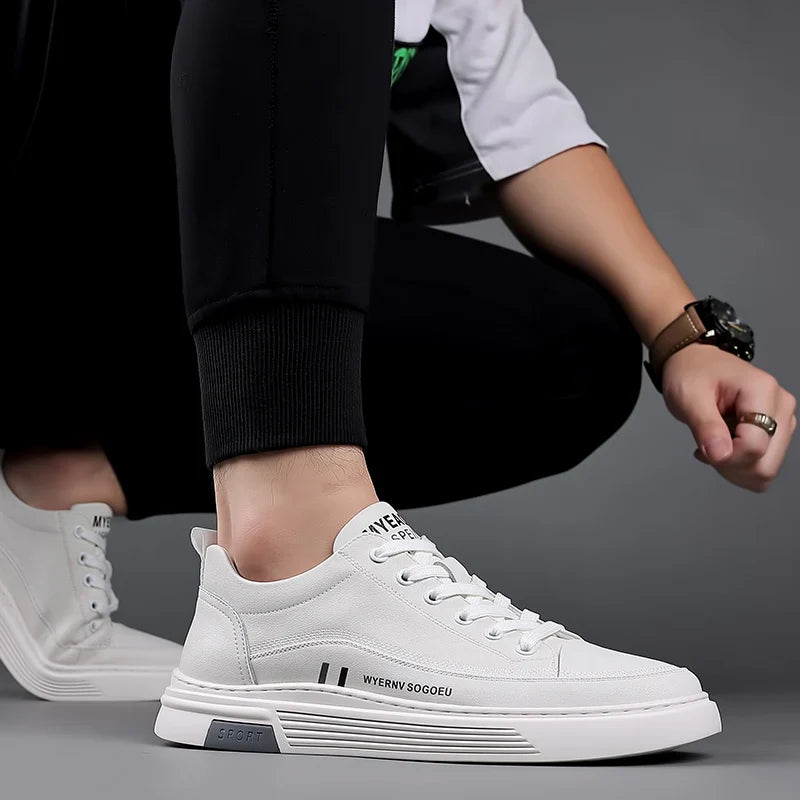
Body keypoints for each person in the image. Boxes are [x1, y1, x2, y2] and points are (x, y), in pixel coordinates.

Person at [3, 0, 795, 761]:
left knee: (571, 353)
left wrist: (685, 337)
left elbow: (519, 121)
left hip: (131, 281)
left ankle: (53, 480)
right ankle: (292, 559)